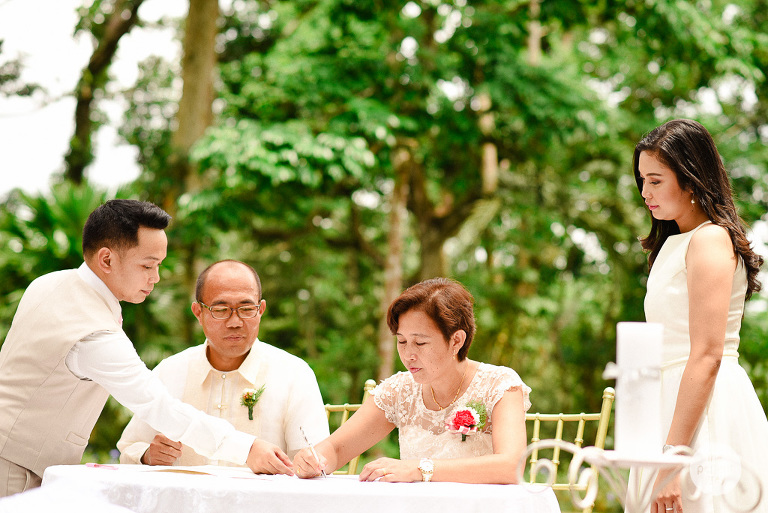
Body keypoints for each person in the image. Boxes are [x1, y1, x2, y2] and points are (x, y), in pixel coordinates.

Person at [0, 200, 293, 498]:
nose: (156, 277)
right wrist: (247, 447)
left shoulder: (49, 283)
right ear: (106, 260)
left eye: (159, 265)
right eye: (147, 265)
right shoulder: (93, 334)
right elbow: (159, 406)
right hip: (16, 471)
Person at [630, 119, 768, 513]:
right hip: (669, 402)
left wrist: (674, 459)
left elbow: (706, 354)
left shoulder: (709, 239)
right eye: (642, 180)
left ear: (690, 180)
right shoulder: (674, 244)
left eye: (655, 180)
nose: (644, 192)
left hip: (705, 410)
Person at [294, 277, 531, 484]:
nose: (408, 355)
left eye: (420, 343)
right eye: (402, 341)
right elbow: (336, 449)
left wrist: (419, 468)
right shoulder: (399, 391)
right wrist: (313, 460)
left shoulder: (499, 385)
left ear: (457, 340)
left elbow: (512, 466)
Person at [117, 260, 329, 466]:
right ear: (198, 313)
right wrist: (147, 455)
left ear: (261, 310)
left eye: (246, 309)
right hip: (186, 501)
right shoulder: (171, 372)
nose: (235, 322)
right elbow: (129, 447)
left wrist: (307, 464)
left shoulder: (293, 374)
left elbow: (313, 460)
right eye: (221, 310)